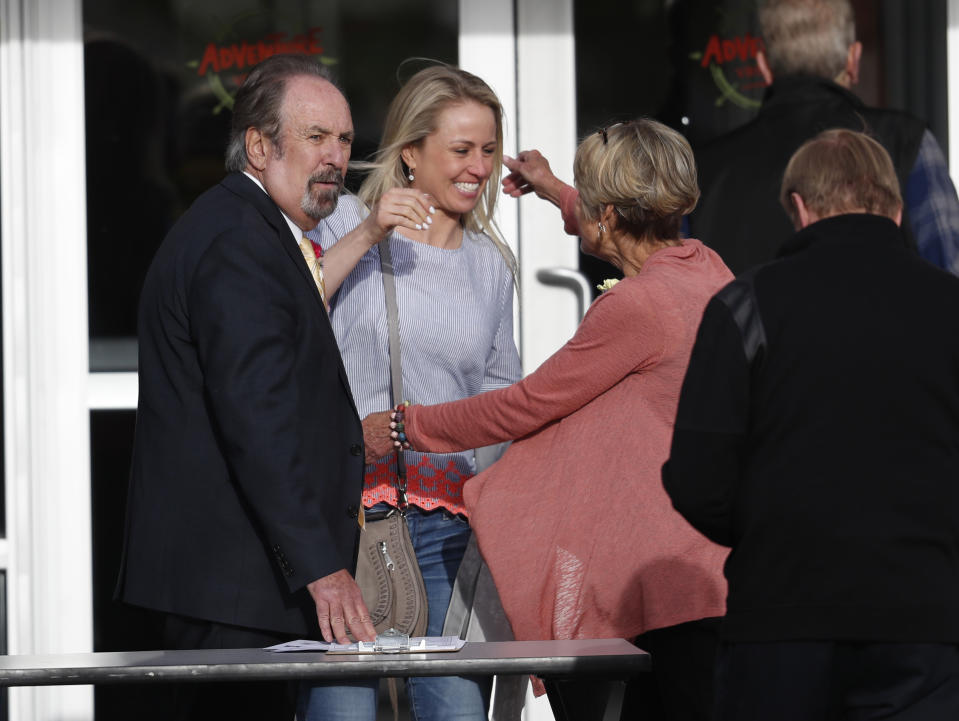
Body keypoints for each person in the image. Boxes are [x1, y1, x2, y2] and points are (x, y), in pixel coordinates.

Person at [366, 118, 732, 721]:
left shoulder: (636, 307)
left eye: (586, 197)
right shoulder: (704, 266)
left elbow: (525, 403)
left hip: (662, 592)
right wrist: (557, 190)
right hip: (707, 573)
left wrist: (405, 427)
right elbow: (629, 222)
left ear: (608, 214)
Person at [663, 128, 959, 721]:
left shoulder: (744, 304)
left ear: (799, 207)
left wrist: (769, 530)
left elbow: (696, 477)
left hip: (781, 617)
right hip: (925, 622)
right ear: (897, 210)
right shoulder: (950, 305)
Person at [115, 54, 376, 721]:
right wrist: (322, 565)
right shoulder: (237, 239)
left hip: (235, 584)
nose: (334, 157)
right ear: (259, 146)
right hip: (224, 590)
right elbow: (257, 415)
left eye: (344, 139)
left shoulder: (253, 231)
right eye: (316, 136)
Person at [298, 65, 522, 721]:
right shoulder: (343, 223)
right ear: (410, 154)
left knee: (452, 706)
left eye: (487, 149)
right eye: (460, 149)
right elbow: (288, 309)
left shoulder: (488, 262)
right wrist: (371, 231)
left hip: (449, 526)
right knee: (343, 709)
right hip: (349, 519)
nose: (477, 167)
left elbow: (497, 398)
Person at [688, 0, 959, 275]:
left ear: (762, 65)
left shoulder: (704, 173)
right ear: (853, 60)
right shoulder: (906, 143)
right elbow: (951, 271)